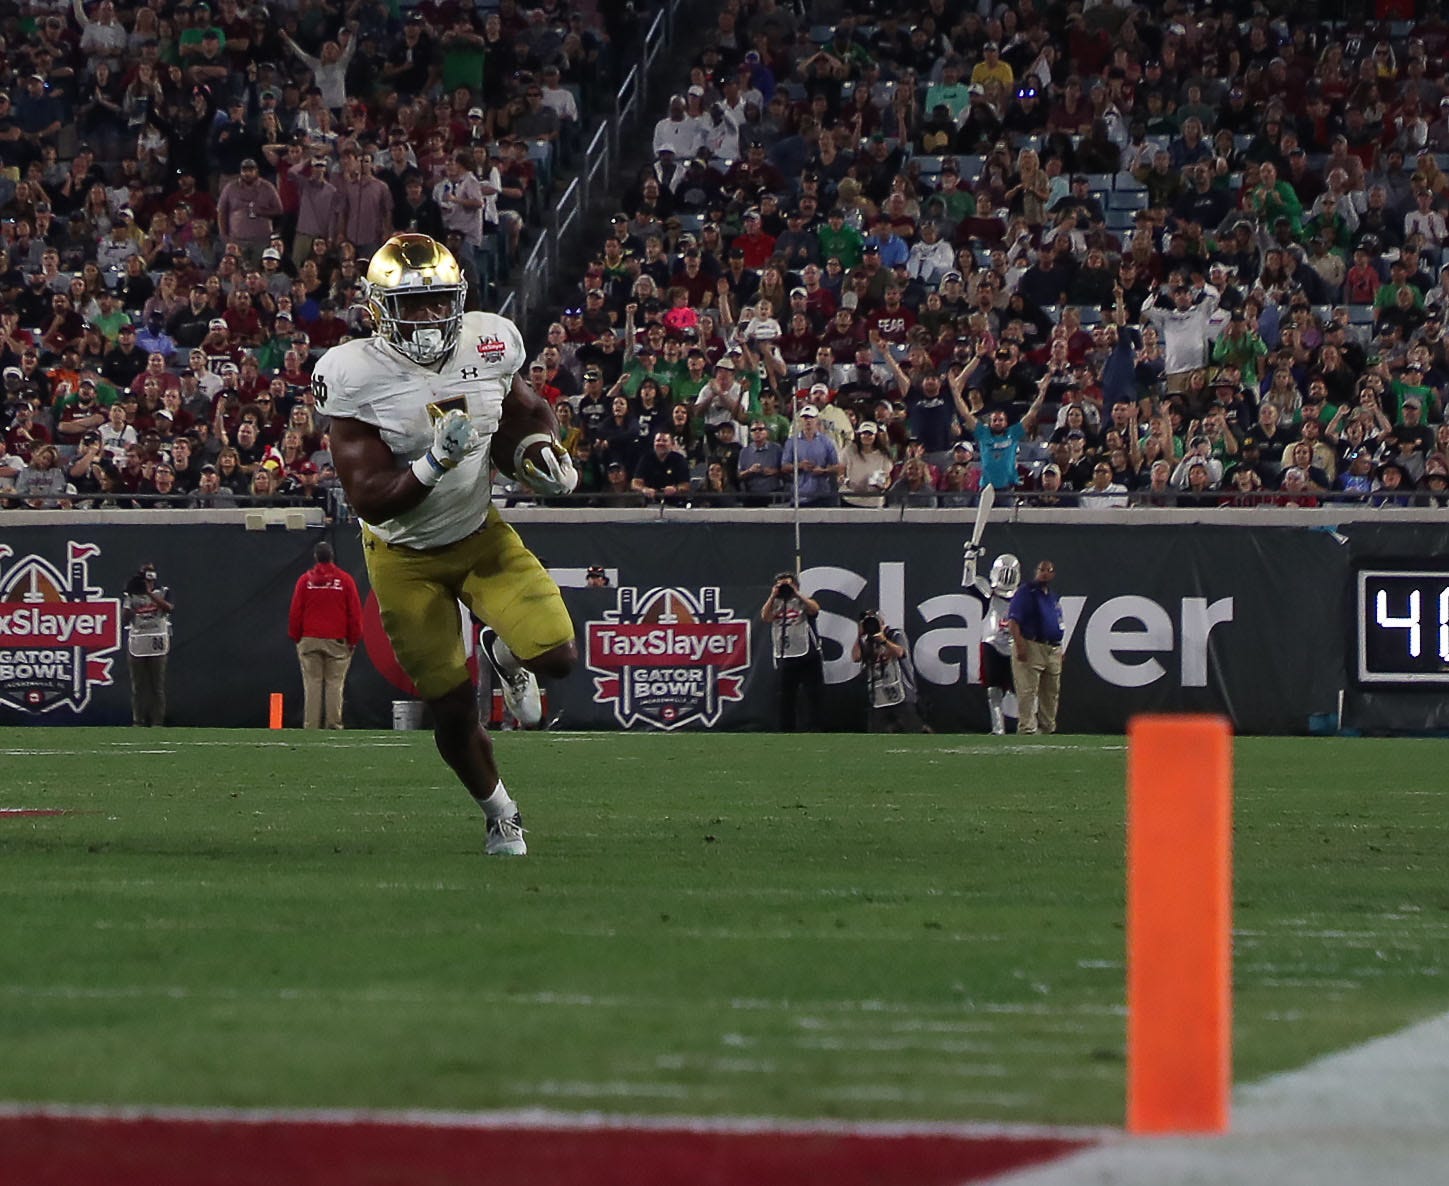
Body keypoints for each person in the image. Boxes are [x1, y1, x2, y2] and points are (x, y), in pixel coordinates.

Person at [316, 234, 579, 857]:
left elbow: (526, 412)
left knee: (559, 658)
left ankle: (503, 651)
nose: (432, 318)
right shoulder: (352, 374)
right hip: (402, 556)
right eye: (415, 305)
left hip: (479, 533)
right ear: (378, 310)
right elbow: (369, 496)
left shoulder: (490, 340)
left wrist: (538, 452)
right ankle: (501, 814)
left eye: (440, 302)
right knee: (453, 708)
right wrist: (434, 461)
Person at [288, 540, 364, 730]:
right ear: (332, 557)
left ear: (315, 557)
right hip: (337, 640)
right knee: (334, 684)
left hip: (309, 638)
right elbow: (354, 613)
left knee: (312, 684)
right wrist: (353, 639)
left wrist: (297, 636)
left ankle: (311, 726)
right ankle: (333, 725)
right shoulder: (345, 580)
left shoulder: (305, 581)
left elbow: (296, 611)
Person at [1004, 559, 1065, 736]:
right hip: (1031, 644)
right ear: (1036, 571)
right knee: (1028, 690)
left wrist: (1060, 646)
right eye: (1041, 570)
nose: (1044, 573)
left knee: (1051, 692)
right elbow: (1013, 620)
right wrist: (1020, 644)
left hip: (1052, 648)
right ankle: (1027, 728)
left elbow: (1058, 623)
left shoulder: (1052, 596)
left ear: (1053, 574)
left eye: (1048, 570)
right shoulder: (1026, 592)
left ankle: (1047, 728)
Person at [963, 546, 1020, 735]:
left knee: (1023, 690)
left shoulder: (1022, 598)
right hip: (992, 644)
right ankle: (998, 728)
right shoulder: (989, 593)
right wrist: (970, 560)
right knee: (993, 691)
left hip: (1016, 646)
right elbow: (969, 583)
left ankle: (1029, 725)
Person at [759, 571, 823, 732]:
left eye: (787, 584)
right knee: (785, 696)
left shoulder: (802, 601)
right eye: (781, 584)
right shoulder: (774, 603)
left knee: (813, 695)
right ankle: (786, 730)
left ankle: (814, 729)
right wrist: (773, 595)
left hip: (807, 653)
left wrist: (796, 593)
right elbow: (765, 617)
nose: (785, 588)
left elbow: (815, 609)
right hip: (784, 654)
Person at [851, 609, 927, 733]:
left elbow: (900, 652)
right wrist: (859, 635)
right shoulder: (868, 642)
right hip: (879, 696)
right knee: (877, 733)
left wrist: (883, 640)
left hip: (901, 692)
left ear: (881, 621)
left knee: (913, 730)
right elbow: (856, 657)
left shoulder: (895, 634)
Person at [121, 562, 173, 727]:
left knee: (157, 685)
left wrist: (150, 594)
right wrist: (130, 599)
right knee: (138, 686)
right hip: (138, 640)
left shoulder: (163, 591)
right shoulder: (132, 594)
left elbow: (168, 608)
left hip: (157, 639)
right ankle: (138, 720)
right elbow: (124, 619)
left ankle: (157, 721)